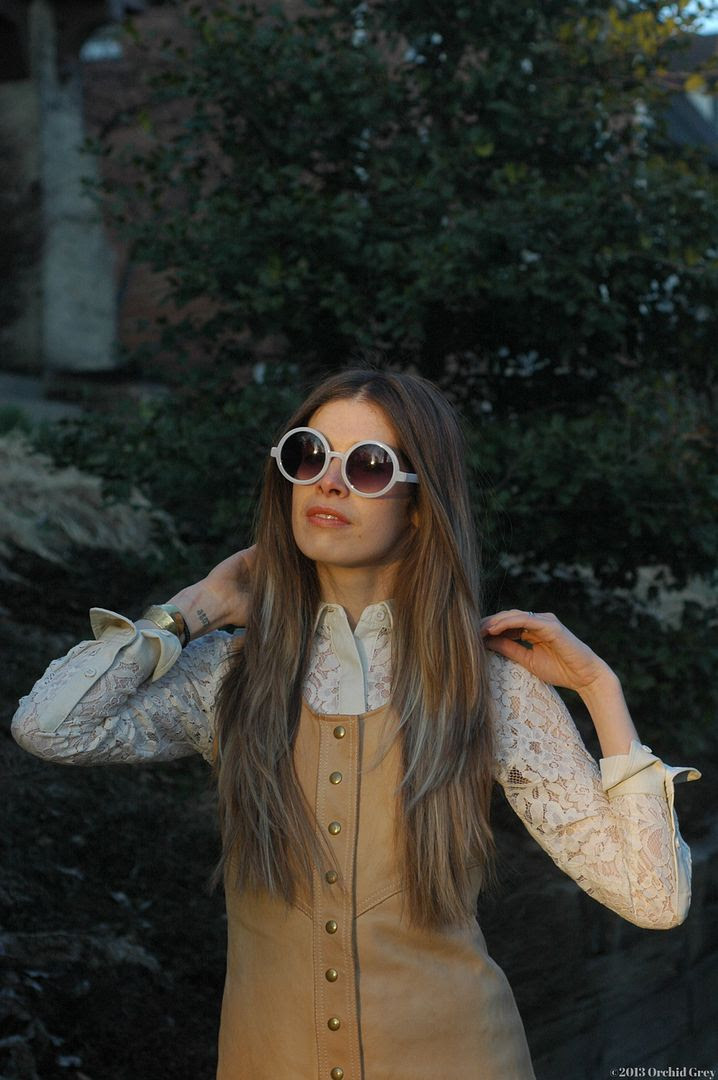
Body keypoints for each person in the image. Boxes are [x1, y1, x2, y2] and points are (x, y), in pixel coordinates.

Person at [12, 368, 700, 1080]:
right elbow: (49, 727)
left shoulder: (488, 683)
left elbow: (653, 899)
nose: (329, 483)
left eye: (368, 466)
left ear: (421, 506)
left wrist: (599, 688)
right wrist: (191, 610)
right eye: (308, 455)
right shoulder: (230, 672)